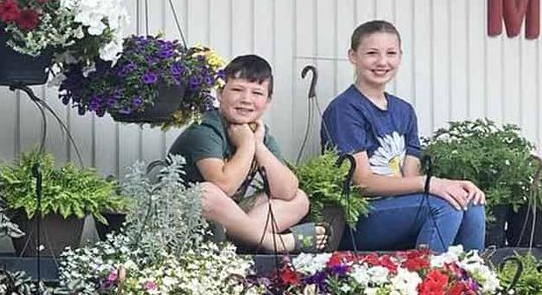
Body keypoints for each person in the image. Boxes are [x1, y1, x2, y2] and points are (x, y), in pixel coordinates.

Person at [321, 20, 485, 251]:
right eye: (371, 53)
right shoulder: (345, 109)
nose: (382, 62)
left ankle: (471, 282)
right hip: (361, 217)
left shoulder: (403, 111)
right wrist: (431, 184)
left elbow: (411, 176)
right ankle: (425, 281)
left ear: (400, 57)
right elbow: (362, 183)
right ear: (353, 56)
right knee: (444, 206)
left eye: (391, 53)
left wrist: (452, 185)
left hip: (401, 210)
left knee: (471, 203)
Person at [168, 54, 324, 252]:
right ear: (220, 93)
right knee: (206, 193)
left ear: (267, 101)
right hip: (183, 220)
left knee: (299, 199)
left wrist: (256, 144)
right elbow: (223, 186)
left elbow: (287, 190)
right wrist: (246, 146)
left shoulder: (256, 132)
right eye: (237, 90)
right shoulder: (205, 128)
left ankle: (240, 242)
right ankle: (273, 242)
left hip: (225, 224)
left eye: (257, 93)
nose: (246, 99)